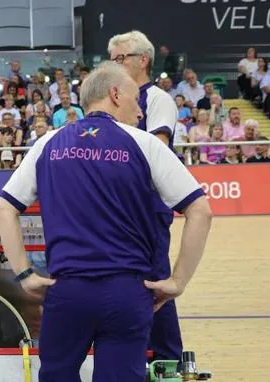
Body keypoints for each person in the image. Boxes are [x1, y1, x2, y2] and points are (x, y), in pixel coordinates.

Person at [0, 62, 212, 382]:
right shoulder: (145, 144)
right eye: (136, 100)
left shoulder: (47, 144)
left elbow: (4, 210)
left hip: (67, 291)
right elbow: (200, 211)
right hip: (129, 292)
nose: (140, 112)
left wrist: (25, 273)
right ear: (114, 95)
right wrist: (177, 282)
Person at [108, 30, 184, 364]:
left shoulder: (157, 99)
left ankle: (169, 359)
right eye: (111, 60)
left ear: (143, 60)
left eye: (121, 58)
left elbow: (159, 150)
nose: (115, 64)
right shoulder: (114, 99)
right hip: (119, 206)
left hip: (146, 207)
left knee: (155, 283)